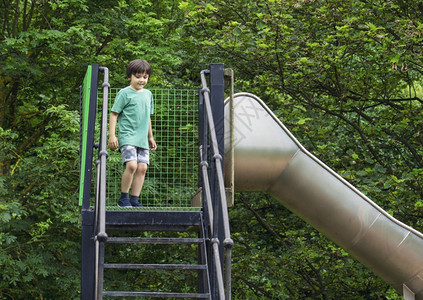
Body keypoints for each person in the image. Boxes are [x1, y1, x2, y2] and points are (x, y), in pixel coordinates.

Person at [108, 59, 157, 207]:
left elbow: (148, 116)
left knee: (143, 168)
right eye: (138, 76)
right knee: (132, 166)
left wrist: (150, 136)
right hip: (128, 135)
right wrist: (112, 135)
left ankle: (134, 200)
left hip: (142, 137)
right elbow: (114, 114)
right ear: (130, 76)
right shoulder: (124, 93)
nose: (141, 80)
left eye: (145, 77)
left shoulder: (148, 94)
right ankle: (123, 199)